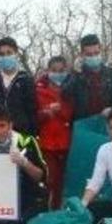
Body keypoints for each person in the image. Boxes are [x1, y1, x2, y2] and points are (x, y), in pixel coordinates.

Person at [35, 55, 76, 209]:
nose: (58, 73)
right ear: (48, 71)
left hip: (66, 143)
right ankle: (44, 210)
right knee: (48, 180)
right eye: (54, 70)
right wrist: (46, 113)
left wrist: (60, 111)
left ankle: (59, 211)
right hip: (46, 143)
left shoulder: (71, 90)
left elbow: (72, 114)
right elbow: (34, 116)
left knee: (62, 182)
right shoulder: (38, 90)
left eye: (61, 70)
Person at [0, 36, 38, 137]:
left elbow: (31, 110)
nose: (5, 57)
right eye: (2, 54)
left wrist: (33, 135)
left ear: (16, 54)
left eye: (9, 53)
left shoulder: (26, 79)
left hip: (20, 134)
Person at [75, 33, 112, 119]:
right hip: (84, 123)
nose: (93, 57)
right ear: (82, 55)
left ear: (100, 51)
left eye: (96, 53)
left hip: (108, 121)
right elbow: (66, 94)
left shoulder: (111, 74)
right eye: (89, 54)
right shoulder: (77, 75)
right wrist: (75, 73)